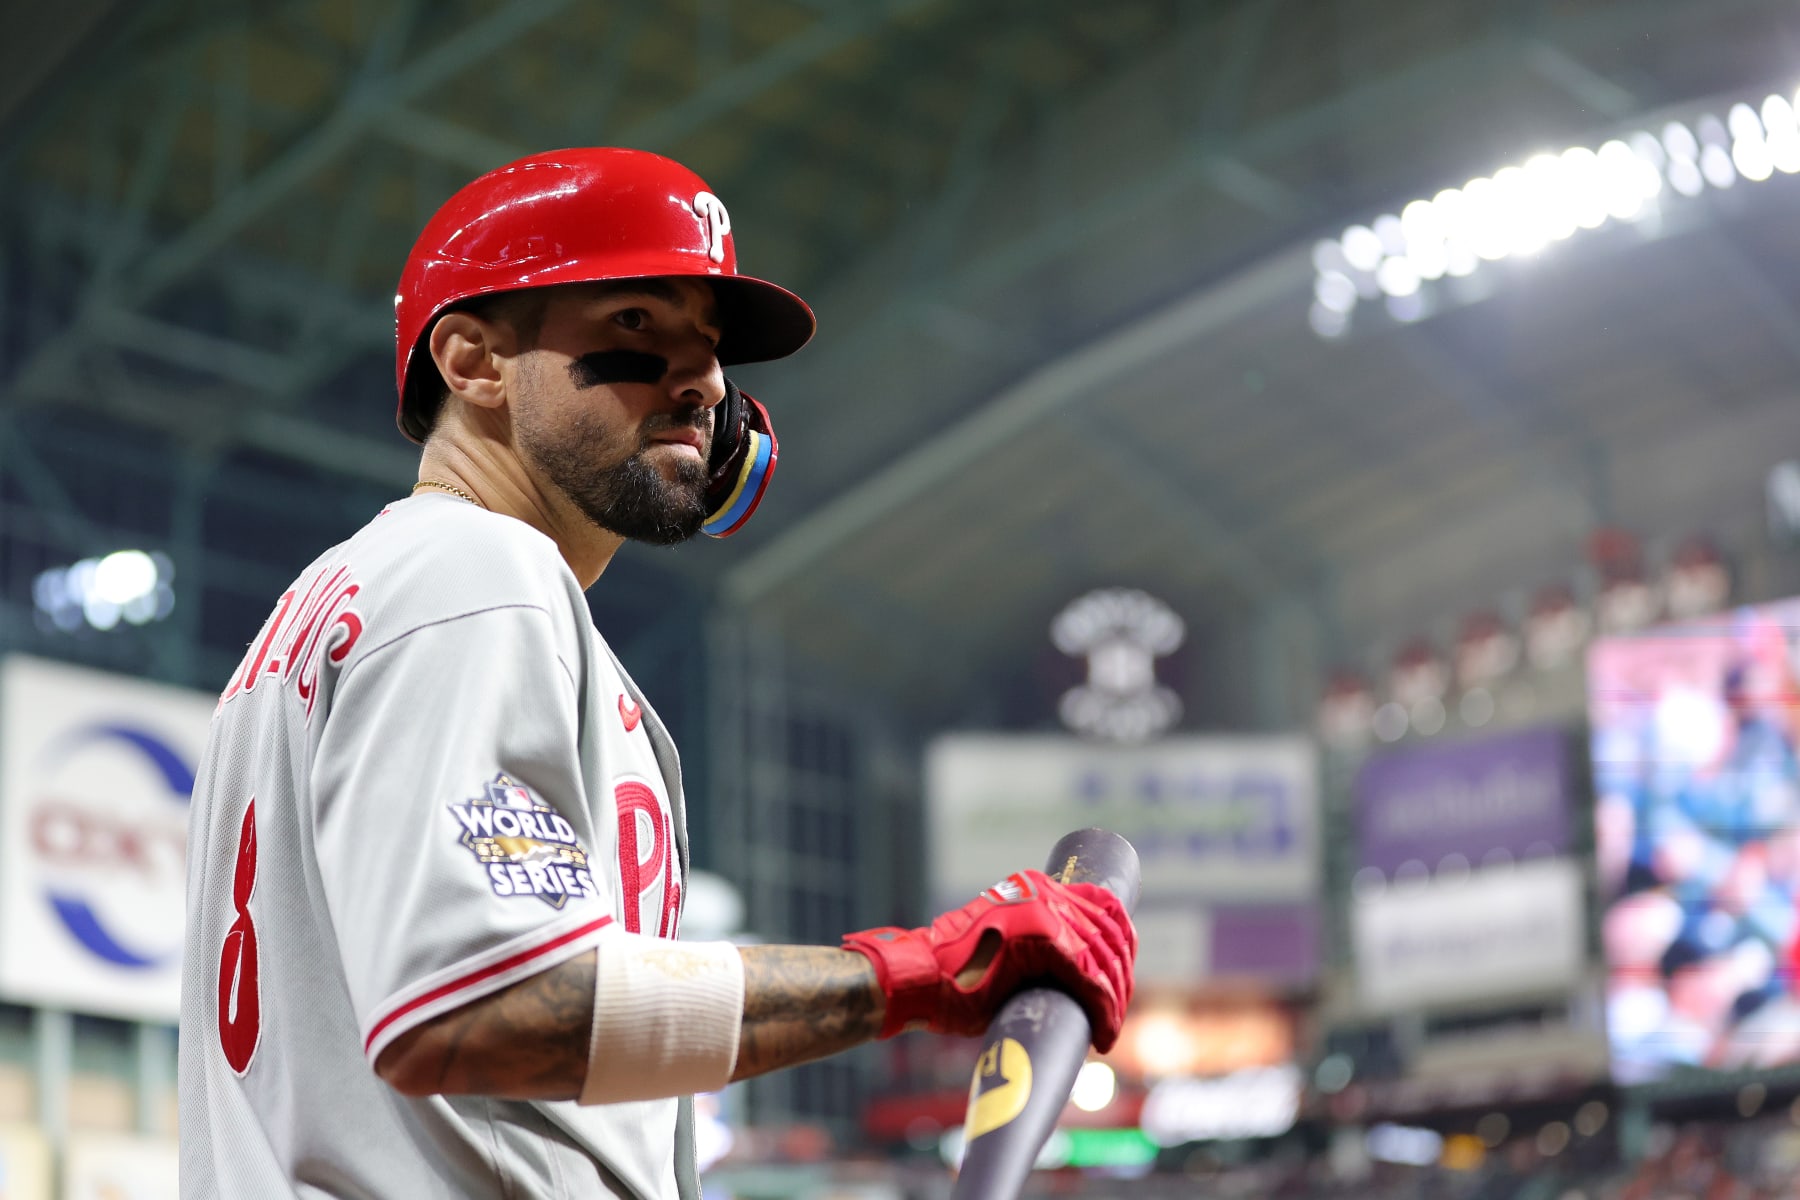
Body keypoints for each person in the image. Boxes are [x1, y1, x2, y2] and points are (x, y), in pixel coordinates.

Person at [178, 147, 1137, 1199]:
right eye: (638, 324)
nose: (707, 383)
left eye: (713, 348)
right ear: (472, 362)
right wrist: (913, 972)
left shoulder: (339, 607)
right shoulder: (475, 572)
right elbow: (476, 1009)